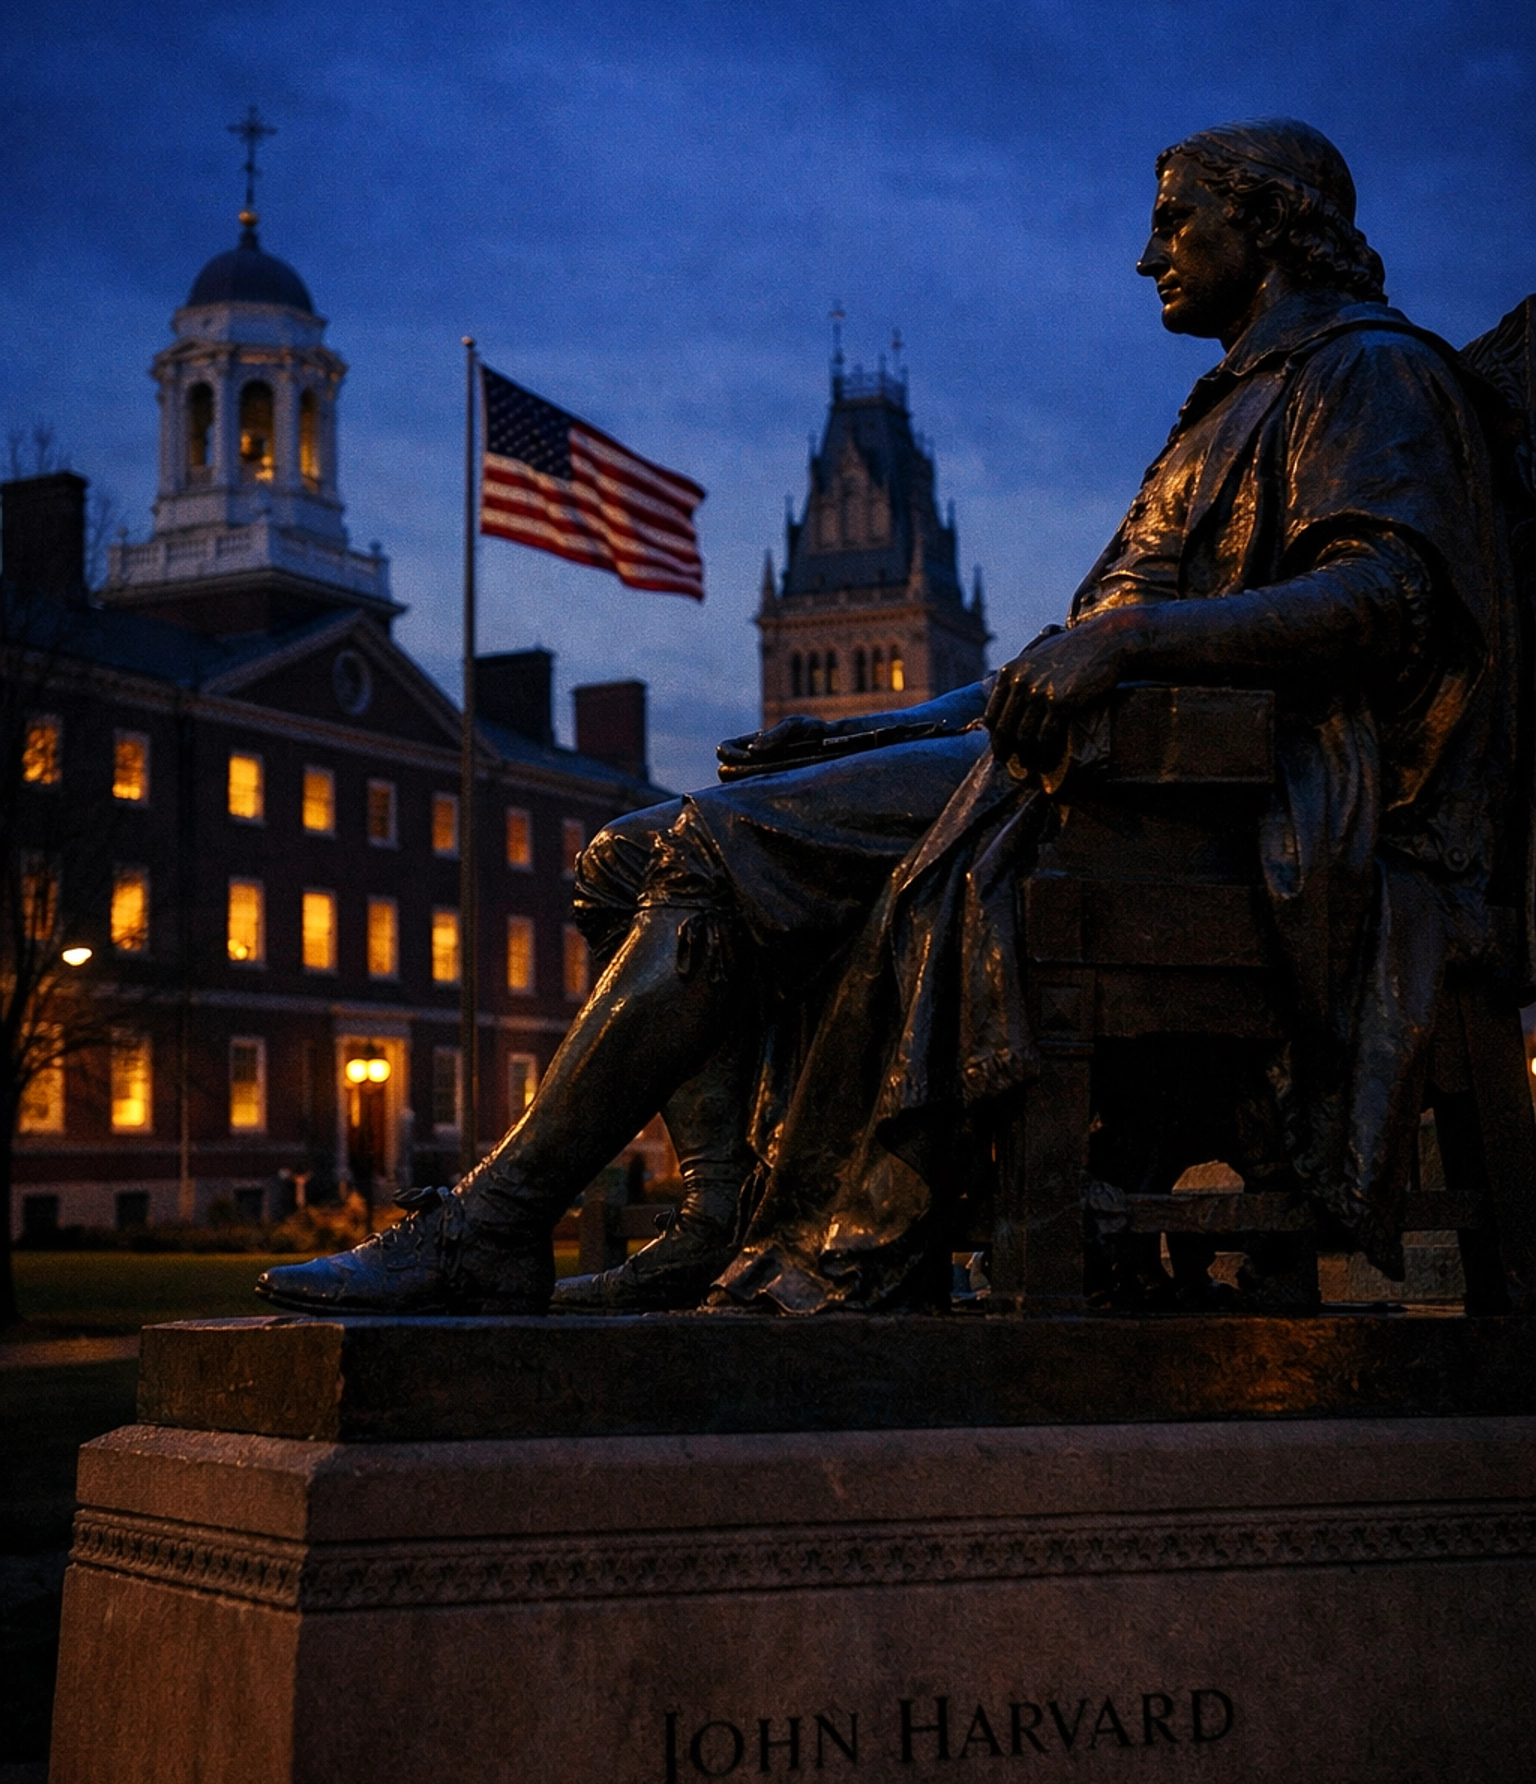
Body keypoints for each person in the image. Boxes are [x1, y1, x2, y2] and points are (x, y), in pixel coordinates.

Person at [258, 119, 1515, 1316]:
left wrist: (1126, 636)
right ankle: (717, 1219)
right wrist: (863, 730)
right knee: (623, 849)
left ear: (1272, 227)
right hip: (1105, 775)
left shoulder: (1372, 372)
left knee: (707, 846)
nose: (1147, 257)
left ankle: (491, 1226)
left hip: (1234, 813)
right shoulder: (1226, 407)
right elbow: (1046, 665)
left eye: (1175, 225)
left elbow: (1388, 596)